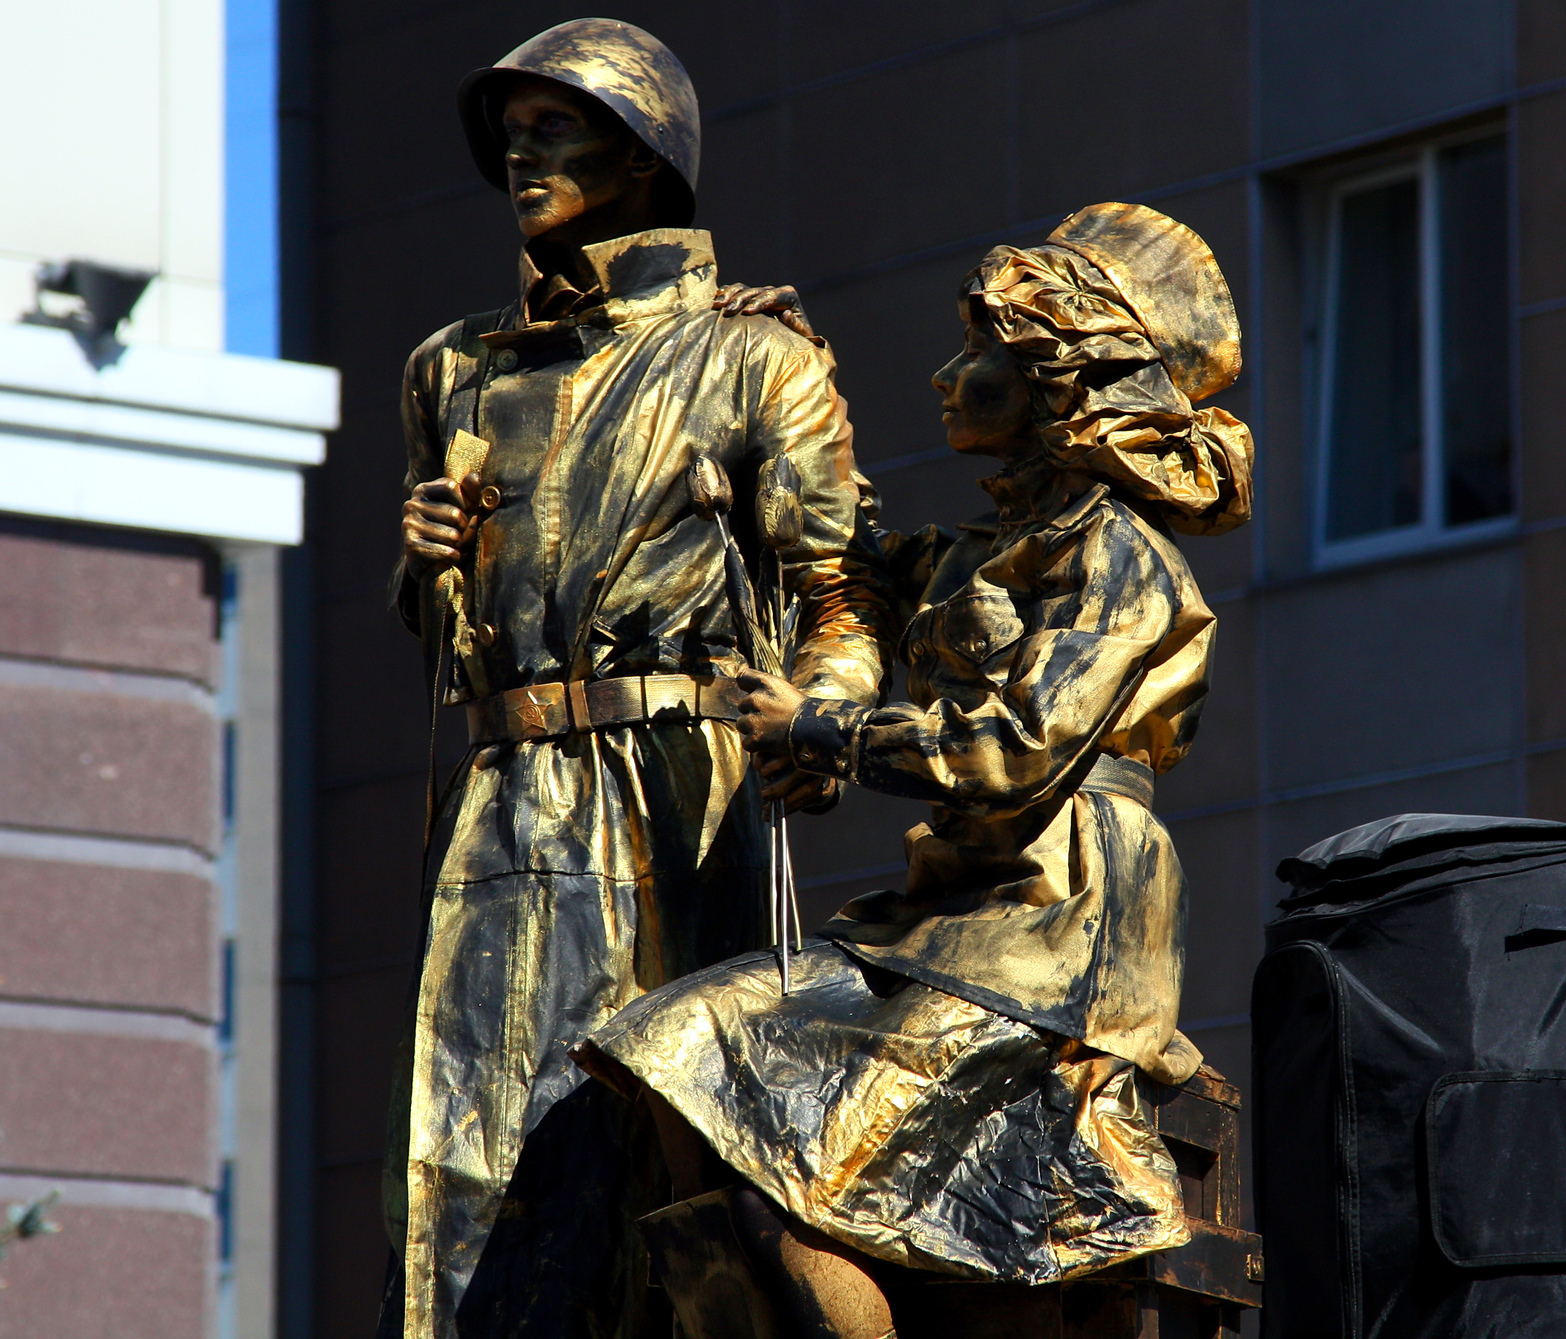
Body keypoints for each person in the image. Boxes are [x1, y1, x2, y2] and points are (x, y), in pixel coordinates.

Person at [577, 202, 1254, 1338]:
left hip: (1054, 927)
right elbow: (852, 555)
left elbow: (1016, 744)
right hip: (952, 915)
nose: (946, 375)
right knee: (684, 1090)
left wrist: (822, 732)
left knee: (715, 1078)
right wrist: (791, 371)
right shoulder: (977, 551)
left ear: (1057, 385)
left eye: (979, 351)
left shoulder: (1120, 554)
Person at [382, 18, 890, 1338]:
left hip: (670, 804)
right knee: (460, 1163)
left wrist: (823, 717)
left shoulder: (752, 353)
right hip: (498, 816)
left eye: (557, 124)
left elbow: (840, 590)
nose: (520, 148)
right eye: (512, 126)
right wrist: (425, 560)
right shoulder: (456, 370)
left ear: (646, 155)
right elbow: (459, 632)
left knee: (639, 1158)